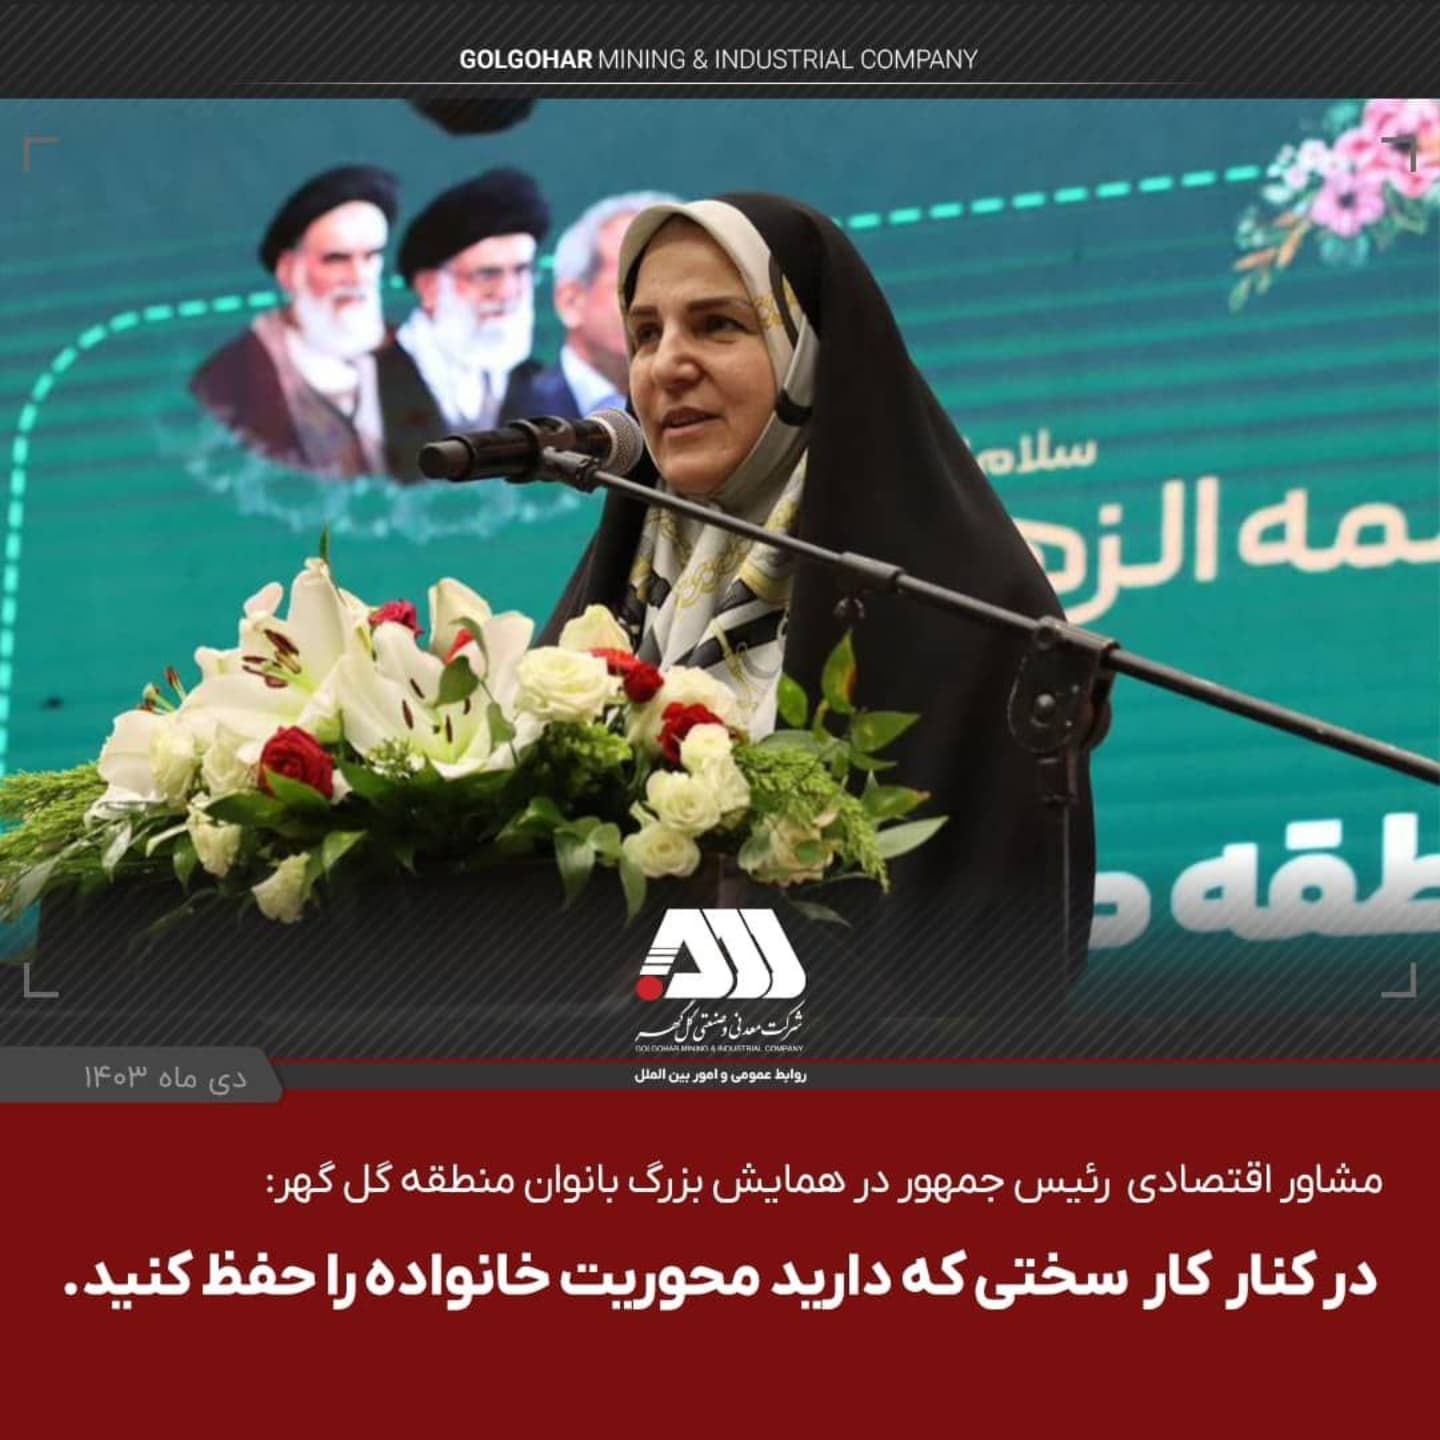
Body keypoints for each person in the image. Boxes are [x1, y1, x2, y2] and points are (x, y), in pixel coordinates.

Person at [541, 195, 1099, 1036]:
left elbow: (988, 965)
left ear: (808, 353)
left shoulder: (961, 609)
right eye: (646, 333)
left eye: (718, 325)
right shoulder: (618, 589)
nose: (667, 365)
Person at [190, 165, 397, 478]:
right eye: (337, 259)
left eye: (371, 257)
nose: (359, 277)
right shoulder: (228, 382)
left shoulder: (414, 356)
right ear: (289, 270)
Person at [378, 168, 550, 480]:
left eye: (521, 271)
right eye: (487, 274)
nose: (508, 292)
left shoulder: (539, 384)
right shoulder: (365, 383)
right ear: (430, 287)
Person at [507, 189, 682, 420]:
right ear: (570, 301)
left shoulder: (712, 407)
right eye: (638, 282)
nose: (667, 301)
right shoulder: (506, 415)